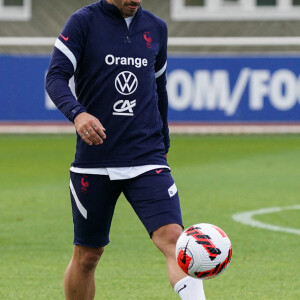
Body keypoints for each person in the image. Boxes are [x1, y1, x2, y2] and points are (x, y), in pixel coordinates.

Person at [46, 0, 206, 299]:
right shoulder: (82, 22)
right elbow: (55, 77)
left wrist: (164, 141)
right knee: (88, 255)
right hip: (95, 160)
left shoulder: (156, 27)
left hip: (146, 157)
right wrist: (77, 113)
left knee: (175, 239)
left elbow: (159, 89)